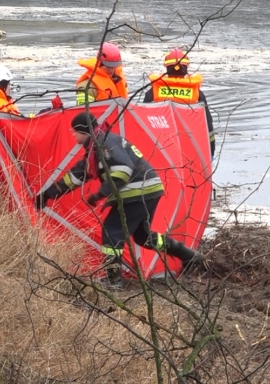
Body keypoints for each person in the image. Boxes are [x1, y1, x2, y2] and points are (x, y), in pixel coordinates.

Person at [34, 112, 206, 288]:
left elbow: (123, 170)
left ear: (82, 131)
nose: (72, 135)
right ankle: (189, 256)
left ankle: (114, 279)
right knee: (142, 236)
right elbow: (77, 175)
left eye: (73, 131)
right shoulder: (99, 145)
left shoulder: (102, 144)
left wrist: (101, 193)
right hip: (148, 189)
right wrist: (48, 194)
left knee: (112, 232)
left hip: (138, 192)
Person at [144, 48, 216, 158]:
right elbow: (208, 126)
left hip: (161, 147)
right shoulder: (197, 94)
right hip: (190, 145)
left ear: (167, 67)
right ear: (186, 67)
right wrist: (210, 152)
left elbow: (144, 124)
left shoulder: (153, 93)